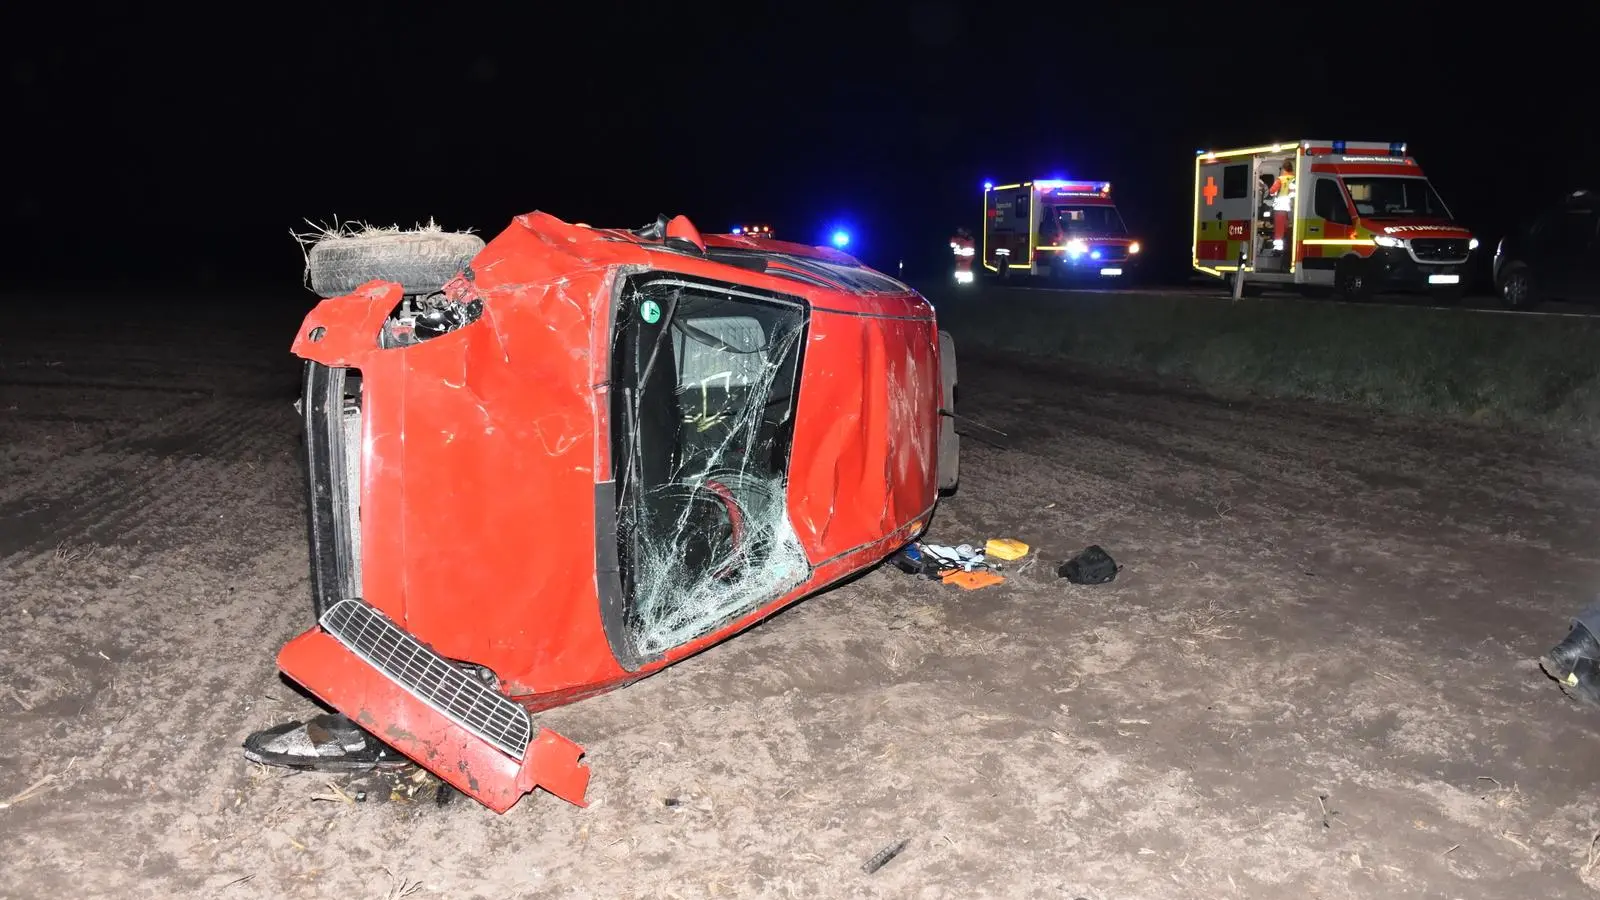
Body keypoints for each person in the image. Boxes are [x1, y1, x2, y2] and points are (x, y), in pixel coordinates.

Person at [1268, 160, 1296, 252]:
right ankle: (1289, 246)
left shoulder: (1280, 179)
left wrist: (1274, 193)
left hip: (1281, 206)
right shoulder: (1295, 178)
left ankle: (1278, 249)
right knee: (1289, 227)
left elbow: (1272, 191)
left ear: (1283, 169)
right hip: (1293, 206)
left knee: (1279, 229)